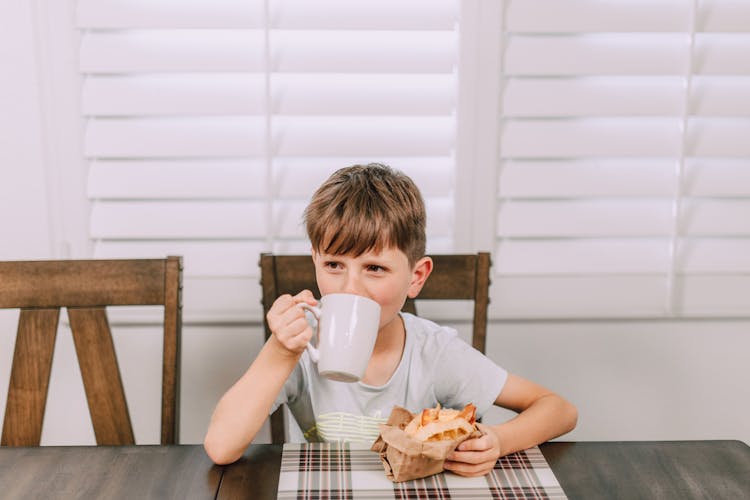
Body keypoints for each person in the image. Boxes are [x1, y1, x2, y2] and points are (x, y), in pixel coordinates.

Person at [204, 163, 577, 476]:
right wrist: (281, 350)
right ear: (315, 262)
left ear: (416, 277)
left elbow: (558, 409)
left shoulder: (434, 351)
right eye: (334, 265)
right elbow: (221, 447)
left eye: (375, 268)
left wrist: (498, 441)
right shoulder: (300, 346)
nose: (350, 288)